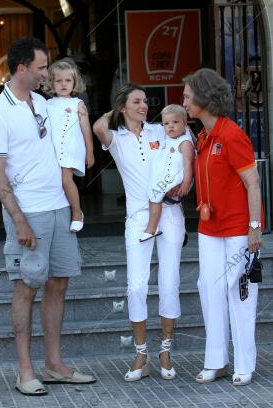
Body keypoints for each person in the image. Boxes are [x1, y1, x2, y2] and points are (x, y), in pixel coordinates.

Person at [0, 37, 95, 396]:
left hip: (58, 205)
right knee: (26, 287)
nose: (48, 73)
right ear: (22, 69)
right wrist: (18, 220)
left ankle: (54, 364)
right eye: (42, 67)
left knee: (59, 281)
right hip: (27, 211)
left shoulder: (44, 103)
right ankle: (25, 370)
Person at [93, 83, 193, 382]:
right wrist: (123, 108)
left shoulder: (160, 130)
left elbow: (185, 140)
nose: (144, 106)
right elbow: (99, 126)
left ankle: (165, 350)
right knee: (136, 286)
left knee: (169, 281)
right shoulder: (116, 137)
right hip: (138, 216)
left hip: (170, 213)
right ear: (123, 106)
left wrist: (182, 184)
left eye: (145, 102)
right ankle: (141, 353)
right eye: (136, 102)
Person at [182, 68, 262, 386]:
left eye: (188, 96)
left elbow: (253, 183)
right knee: (209, 288)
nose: (184, 101)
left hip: (237, 227)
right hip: (209, 227)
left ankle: (245, 363)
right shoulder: (203, 136)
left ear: (203, 97)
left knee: (239, 291)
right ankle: (216, 360)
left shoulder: (231, 134)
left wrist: (255, 227)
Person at [45, 60, 94, 232]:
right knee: (56, 181)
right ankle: (62, 212)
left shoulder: (78, 104)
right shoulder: (47, 105)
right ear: (51, 83)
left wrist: (90, 151)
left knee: (66, 179)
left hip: (71, 147)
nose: (63, 84)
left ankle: (76, 212)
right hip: (53, 149)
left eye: (68, 80)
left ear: (74, 83)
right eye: (58, 81)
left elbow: (86, 128)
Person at [140, 104, 194, 242]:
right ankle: (153, 227)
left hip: (175, 177)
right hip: (167, 175)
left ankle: (151, 228)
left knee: (155, 196)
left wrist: (186, 184)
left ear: (185, 123)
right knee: (154, 197)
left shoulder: (185, 143)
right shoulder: (168, 138)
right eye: (166, 123)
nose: (170, 126)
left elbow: (189, 165)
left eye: (175, 122)